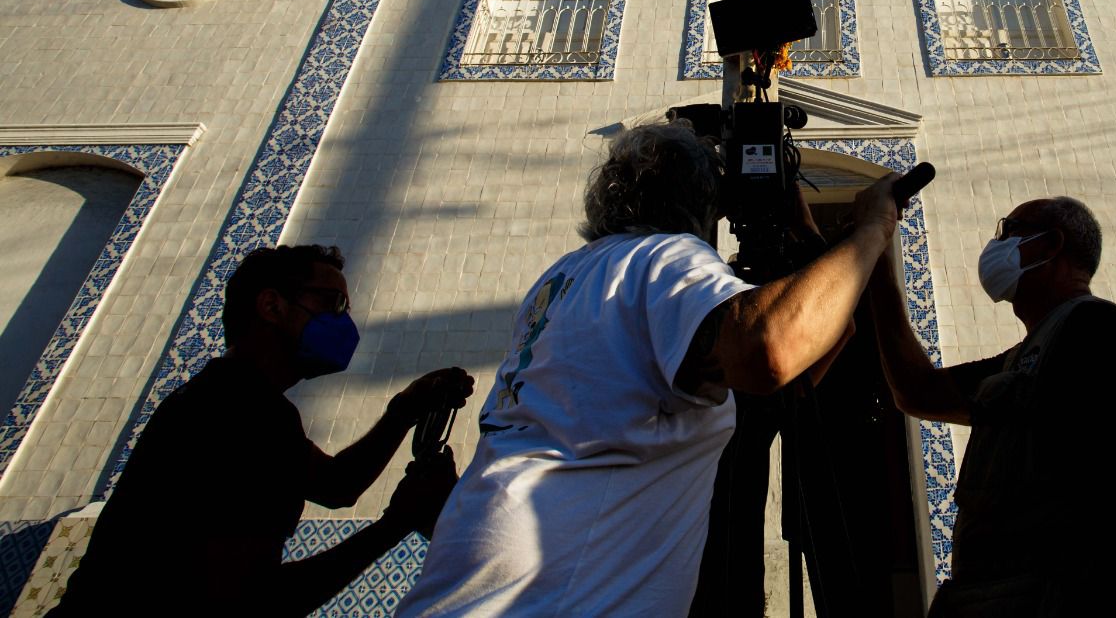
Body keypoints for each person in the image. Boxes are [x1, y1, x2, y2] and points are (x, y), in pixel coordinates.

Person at [396, 122, 901, 616]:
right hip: (552, 591)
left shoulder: (564, 278)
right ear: (707, 204)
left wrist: (805, 237)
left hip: (476, 572)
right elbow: (769, 350)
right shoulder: (663, 257)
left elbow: (787, 375)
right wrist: (872, 229)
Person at [52, 244, 471, 616]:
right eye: (335, 305)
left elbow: (335, 486)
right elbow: (250, 600)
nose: (346, 323)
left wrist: (404, 410)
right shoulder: (232, 411)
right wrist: (395, 524)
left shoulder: (243, 401)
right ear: (272, 306)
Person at [868, 196, 1116, 616]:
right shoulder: (1029, 355)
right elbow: (918, 392)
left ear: (1050, 246)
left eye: (1009, 231)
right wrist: (876, 260)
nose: (995, 245)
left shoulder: (1103, 334)